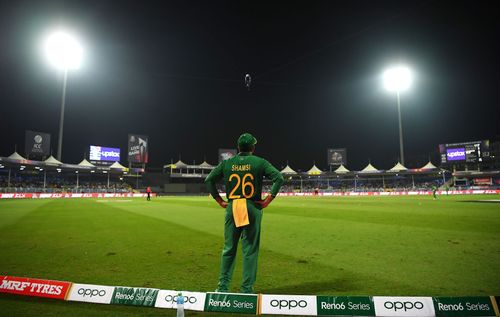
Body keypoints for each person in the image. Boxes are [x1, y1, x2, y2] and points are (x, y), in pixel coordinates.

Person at [204, 133, 284, 294]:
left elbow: (209, 180)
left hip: (234, 206)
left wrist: (219, 200)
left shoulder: (227, 162)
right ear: (253, 147)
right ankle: (246, 290)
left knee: (229, 248)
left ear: (238, 148)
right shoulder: (260, 162)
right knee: (250, 250)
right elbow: (279, 178)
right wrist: (269, 199)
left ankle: (222, 287)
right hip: (251, 205)